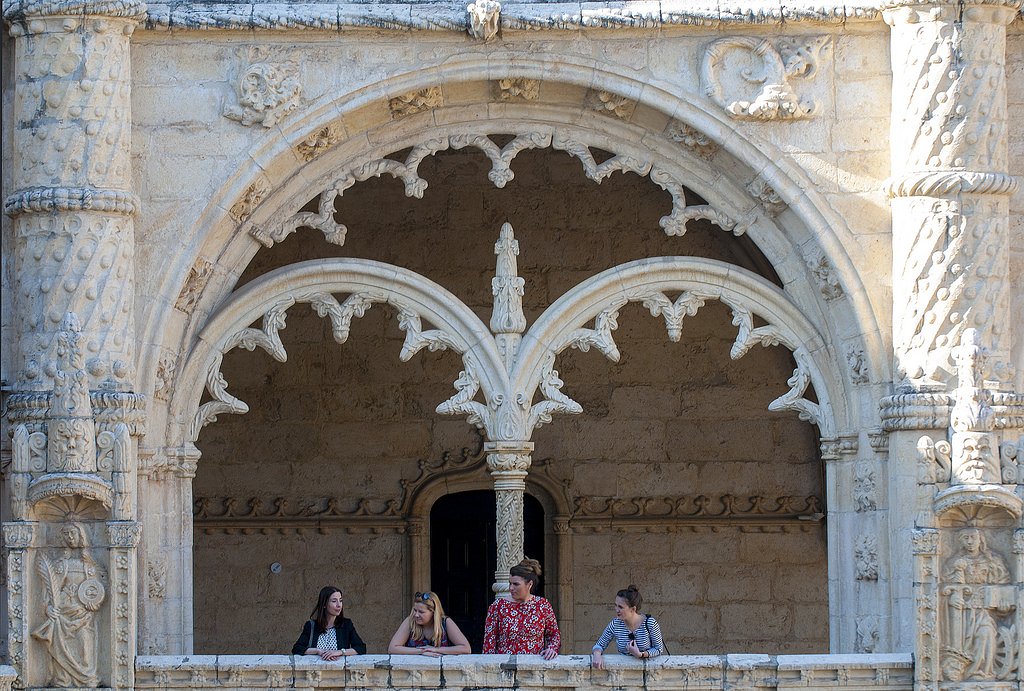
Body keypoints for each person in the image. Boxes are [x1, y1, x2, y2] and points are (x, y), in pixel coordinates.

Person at [482, 558, 560, 659]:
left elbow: (554, 634)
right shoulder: (498, 606)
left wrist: (552, 648)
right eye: (510, 583)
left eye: (516, 584)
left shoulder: (543, 605)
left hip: (534, 668)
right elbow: (489, 643)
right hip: (504, 668)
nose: (511, 588)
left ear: (529, 584)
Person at [591, 585, 664, 668]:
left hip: (647, 672)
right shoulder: (615, 624)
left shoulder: (650, 623)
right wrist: (597, 654)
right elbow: (600, 644)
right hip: (624, 672)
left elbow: (659, 649)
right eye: (616, 605)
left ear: (632, 609)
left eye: (620, 607)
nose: (616, 610)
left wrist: (640, 654)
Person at [292, 586, 366, 659]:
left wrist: (340, 652)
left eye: (340, 600)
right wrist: (318, 651)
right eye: (334, 601)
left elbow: (361, 648)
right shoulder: (311, 626)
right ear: (324, 604)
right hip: (315, 670)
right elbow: (297, 649)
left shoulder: (346, 625)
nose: (339, 605)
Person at [387, 591, 472, 655]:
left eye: (421, 612)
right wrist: (422, 651)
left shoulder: (445, 623)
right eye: (415, 610)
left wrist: (436, 649)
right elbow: (392, 648)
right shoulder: (410, 621)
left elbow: (466, 649)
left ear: (433, 612)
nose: (416, 615)